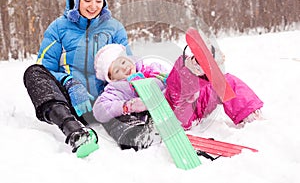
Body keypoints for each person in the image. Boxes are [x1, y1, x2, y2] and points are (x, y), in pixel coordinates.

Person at [23, 0, 132, 158]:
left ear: (104, 1)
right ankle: (74, 131)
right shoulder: (59, 28)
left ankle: (133, 133)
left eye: (98, 0)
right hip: (71, 104)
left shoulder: (114, 28)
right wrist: (70, 82)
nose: (93, 5)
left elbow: (128, 65)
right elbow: (45, 67)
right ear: (77, 0)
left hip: (105, 101)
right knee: (33, 72)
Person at [93, 43, 263, 143]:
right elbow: (99, 110)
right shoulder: (115, 89)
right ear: (111, 78)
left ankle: (250, 116)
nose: (124, 67)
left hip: (194, 104)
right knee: (174, 87)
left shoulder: (151, 69)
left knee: (225, 81)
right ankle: (194, 66)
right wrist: (128, 106)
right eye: (117, 70)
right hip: (170, 116)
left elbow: (170, 78)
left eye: (123, 62)